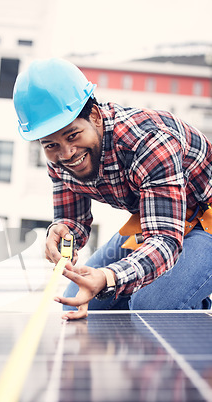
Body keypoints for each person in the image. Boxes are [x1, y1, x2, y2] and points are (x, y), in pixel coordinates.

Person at [13, 58, 212, 319]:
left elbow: (164, 240)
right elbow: (73, 220)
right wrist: (62, 232)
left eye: (73, 135)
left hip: (205, 219)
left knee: (153, 306)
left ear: (94, 116)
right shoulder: (59, 159)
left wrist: (108, 277)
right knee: (77, 299)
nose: (67, 153)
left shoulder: (148, 142)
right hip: (157, 219)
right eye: (50, 144)